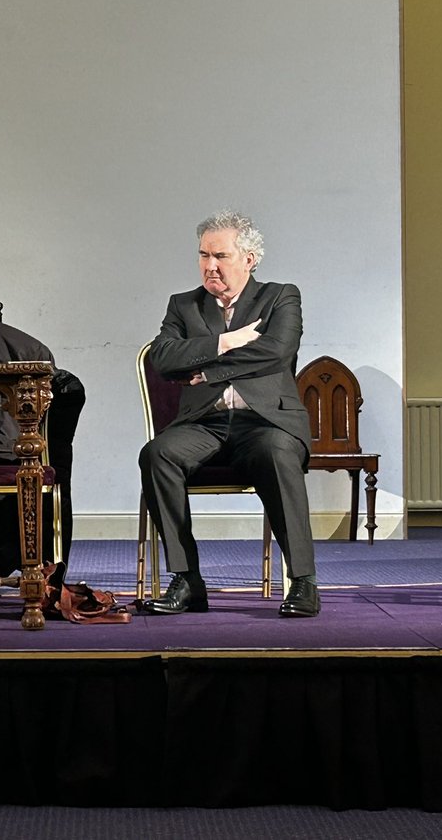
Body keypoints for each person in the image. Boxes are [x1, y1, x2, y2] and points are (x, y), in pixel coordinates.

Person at [138, 210, 320, 617]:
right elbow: (163, 357)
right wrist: (227, 340)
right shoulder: (183, 305)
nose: (210, 266)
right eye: (203, 255)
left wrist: (207, 366)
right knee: (157, 454)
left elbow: (277, 350)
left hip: (266, 423)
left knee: (277, 452)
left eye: (220, 256)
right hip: (206, 424)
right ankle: (187, 580)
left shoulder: (280, 296)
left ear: (249, 259)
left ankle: (304, 582)